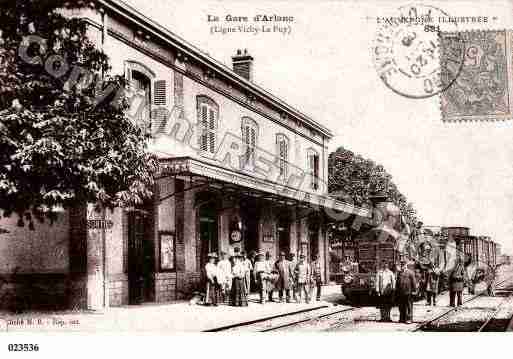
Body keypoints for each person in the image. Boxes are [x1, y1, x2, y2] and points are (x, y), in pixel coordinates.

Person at [395, 258, 416, 324]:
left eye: (403, 264)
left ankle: (409, 319)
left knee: (409, 306)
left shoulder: (410, 272)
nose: (402, 266)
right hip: (401, 292)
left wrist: (414, 290)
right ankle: (402, 318)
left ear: (406, 265)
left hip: (408, 292)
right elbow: (397, 283)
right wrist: (396, 290)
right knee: (401, 306)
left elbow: (413, 282)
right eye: (401, 264)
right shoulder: (399, 273)